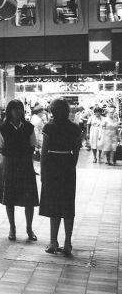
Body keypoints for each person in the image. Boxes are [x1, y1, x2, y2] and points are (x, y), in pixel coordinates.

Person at [39, 98, 82, 256]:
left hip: (52, 166)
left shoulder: (49, 127)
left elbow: (44, 152)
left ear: (52, 111)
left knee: (53, 205)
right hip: (67, 168)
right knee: (68, 205)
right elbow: (76, 152)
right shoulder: (75, 128)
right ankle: (68, 243)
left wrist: (43, 172)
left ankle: (53, 242)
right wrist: (71, 165)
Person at [0, 99, 39, 242]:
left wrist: (21, 153)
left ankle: (29, 228)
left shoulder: (29, 127)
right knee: (9, 198)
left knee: (29, 200)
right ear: (10, 111)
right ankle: (12, 228)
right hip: (9, 164)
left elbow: (33, 145)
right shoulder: (3, 128)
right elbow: (0, 147)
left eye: (20, 108)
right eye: (14, 108)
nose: (18, 111)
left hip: (25, 164)